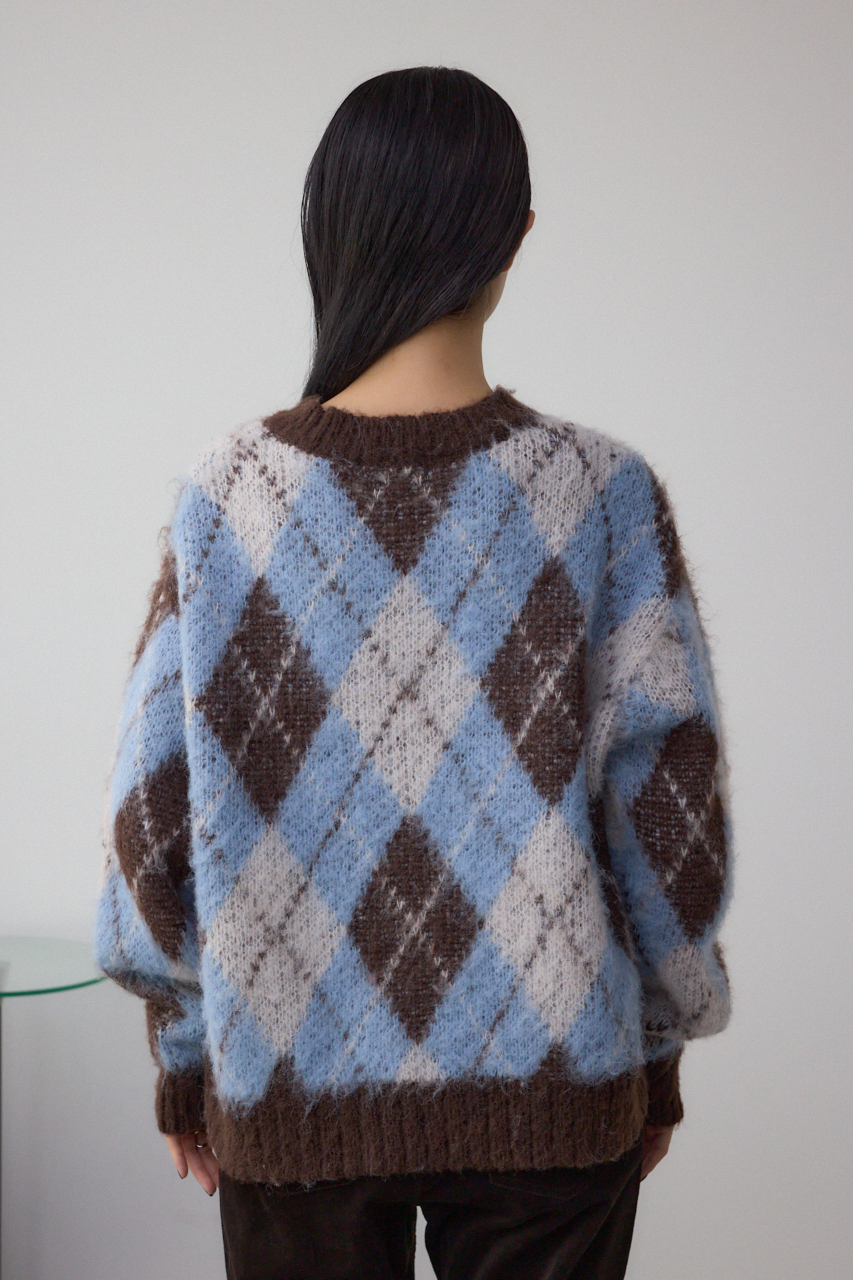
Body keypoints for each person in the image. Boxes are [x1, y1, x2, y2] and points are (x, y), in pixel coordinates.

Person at [94, 65, 734, 1280]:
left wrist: (185, 1054)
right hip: (558, 1086)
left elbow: (152, 814)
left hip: (286, 1089)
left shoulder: (227, 500)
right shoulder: (602, 496)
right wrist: (653, 1049)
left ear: (327, 229)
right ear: (516, 237)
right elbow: (671, 819)